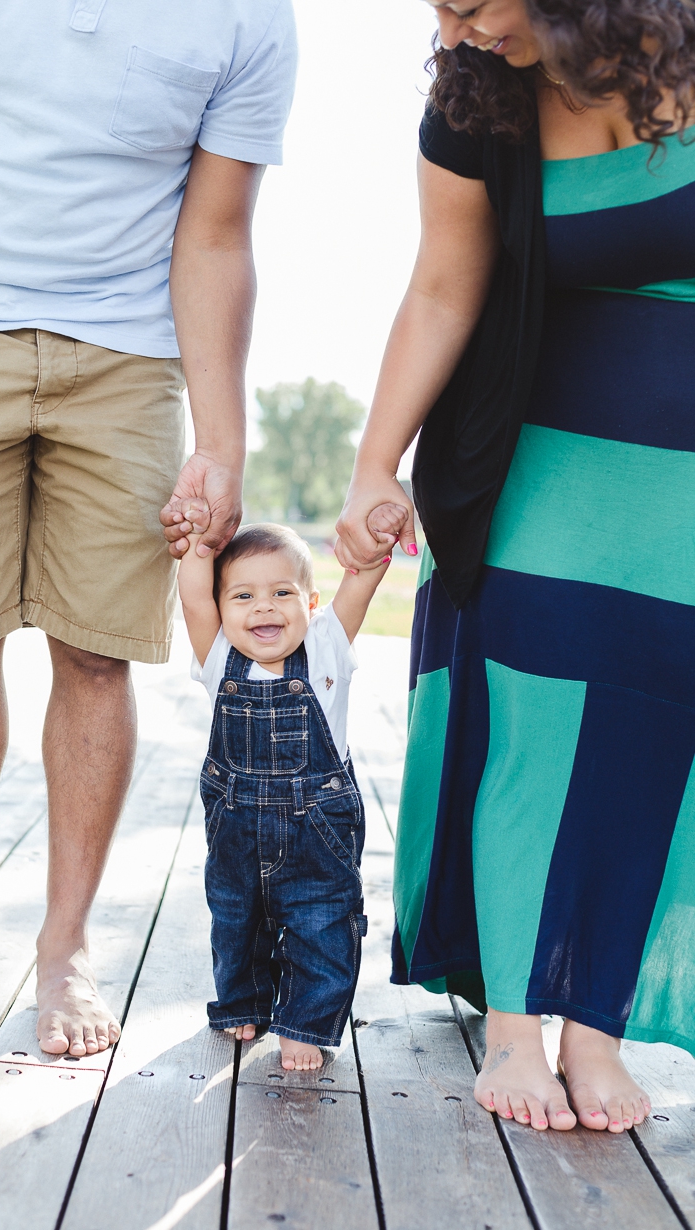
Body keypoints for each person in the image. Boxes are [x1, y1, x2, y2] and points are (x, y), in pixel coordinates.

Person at [0, 0, 296, 1057]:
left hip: (128, 355)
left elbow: (215, 231)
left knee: (97, 655)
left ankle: (65, 953)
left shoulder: (251, 19)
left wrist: (220, 441)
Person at [336, 0, 695, 1132]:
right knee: (530, 721)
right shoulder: (472, 104)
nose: (456, 27)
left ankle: (594, 1029)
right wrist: (371, 465)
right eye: (436, 6)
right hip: (527, 454)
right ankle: (510, 1030)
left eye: (474, 4)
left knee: (656, 724)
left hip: (677, 483)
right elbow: (443, 286)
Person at [175, 505, 402, 1070]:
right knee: (236, 917)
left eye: (281, 592)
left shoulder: (326, 650)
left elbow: (363, 579)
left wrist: (375, 536)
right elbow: (193, 597)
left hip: (317, 827)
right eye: (243, 597)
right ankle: (242, 1002)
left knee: (320, 920)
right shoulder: (218, 656)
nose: (263, 607)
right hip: (236, 827)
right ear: (222, 609)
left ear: (311, 604)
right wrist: (199, 544)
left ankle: (304, 1020)